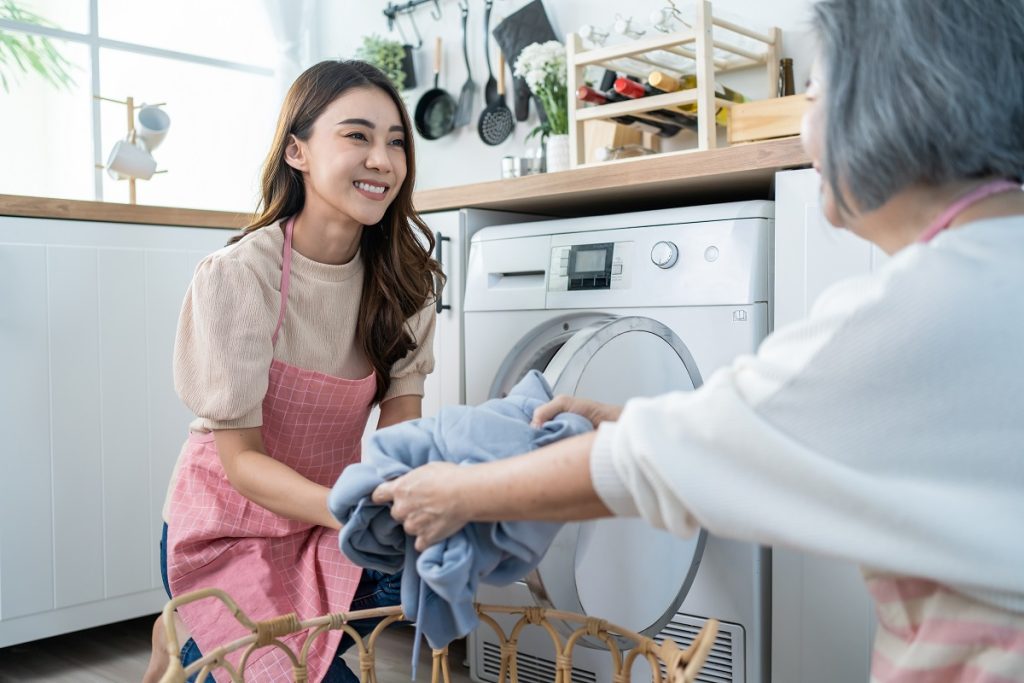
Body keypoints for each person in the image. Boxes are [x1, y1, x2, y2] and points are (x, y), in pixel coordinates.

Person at [373, 0, 1024, 680]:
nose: (805, 128)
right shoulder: (987, 270)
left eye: (814, 95)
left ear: (889, 100)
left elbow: (655, 463)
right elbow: (784, 430)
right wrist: (632, 419)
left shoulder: (914, 308)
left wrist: (459, 494)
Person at [142, 60, 441, 683]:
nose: (382, 160)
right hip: (229, 526)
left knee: (427, 564)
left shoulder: (406, 282)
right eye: (357, 136)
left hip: (329, 521)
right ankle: (189, 624)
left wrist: (427, 504)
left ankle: (185, 636)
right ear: (298, 151)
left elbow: (399, 436)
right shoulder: (239, 277)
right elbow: (241, 461)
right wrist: (352, 510)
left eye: (395, 141)